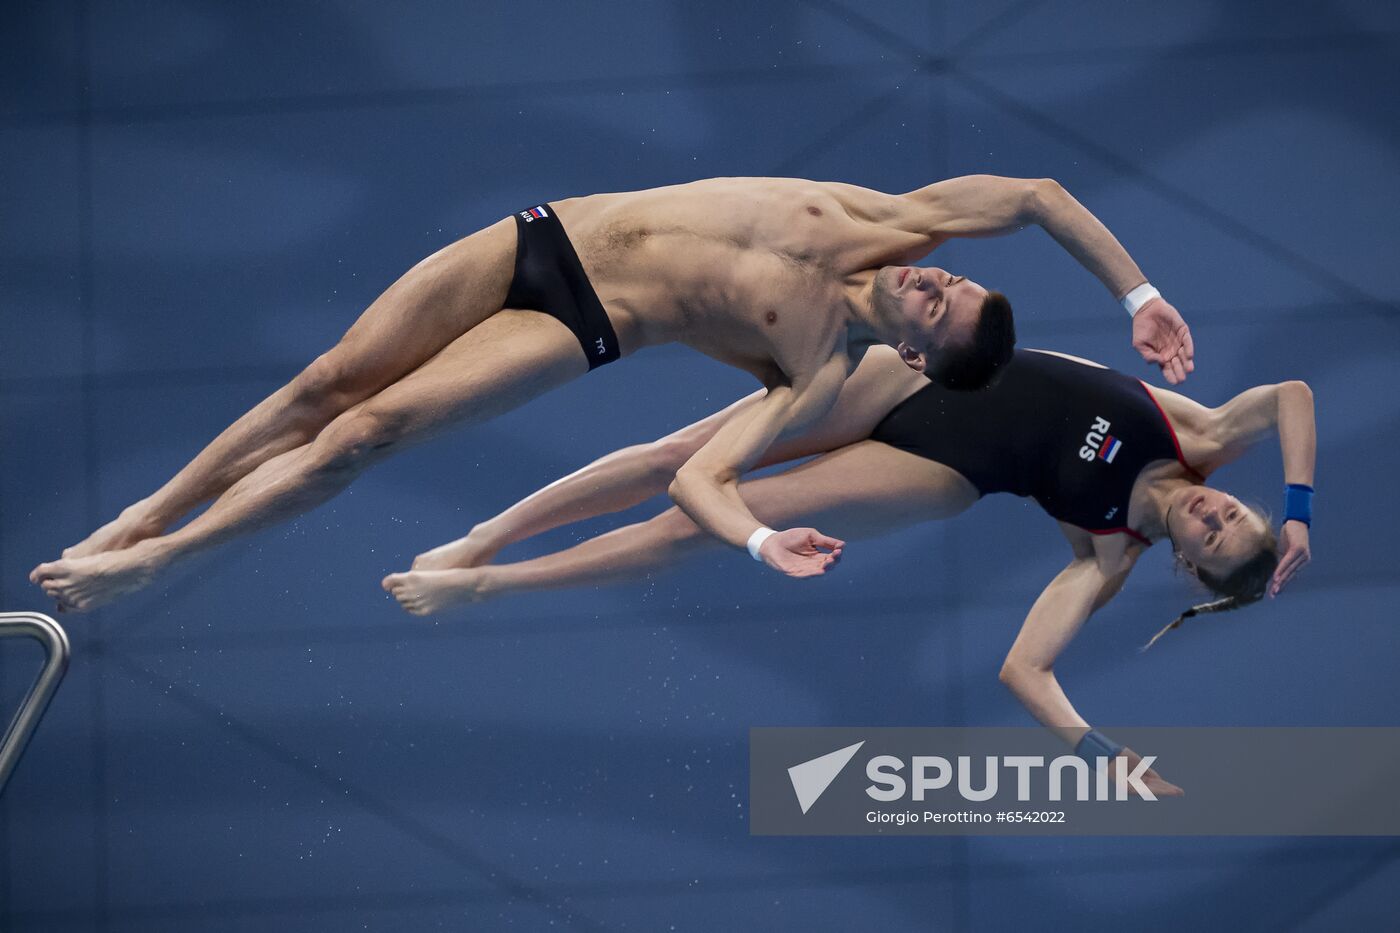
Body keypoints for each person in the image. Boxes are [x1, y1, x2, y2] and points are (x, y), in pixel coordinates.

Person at [32, 175, 1194, 610]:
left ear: (919, 356)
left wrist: (756, 542)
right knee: (325, 382)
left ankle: (157, 560)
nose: (931, 281)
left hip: (577, 324)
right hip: (542, 235)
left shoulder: (812, 372)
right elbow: (1038, 196)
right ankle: (143, 513)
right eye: (950, 279)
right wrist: (1137, 291)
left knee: (363, 432)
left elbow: (695, 480)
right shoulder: (890, 218)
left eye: (936, 308)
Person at [381, 346, 1314, 792]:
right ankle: (484, 537)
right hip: (911, 375)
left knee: (696, 520)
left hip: (933, 470)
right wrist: (1299, 508)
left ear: (1187, 565)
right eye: (1235, 513)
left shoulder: (1107, 550)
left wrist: (1107, 762)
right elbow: (1292, 392)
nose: (1216, 517)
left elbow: (1025, 671)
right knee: (681, 456)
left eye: (1215, 541)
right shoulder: (1202, 435)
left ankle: (488, 585)